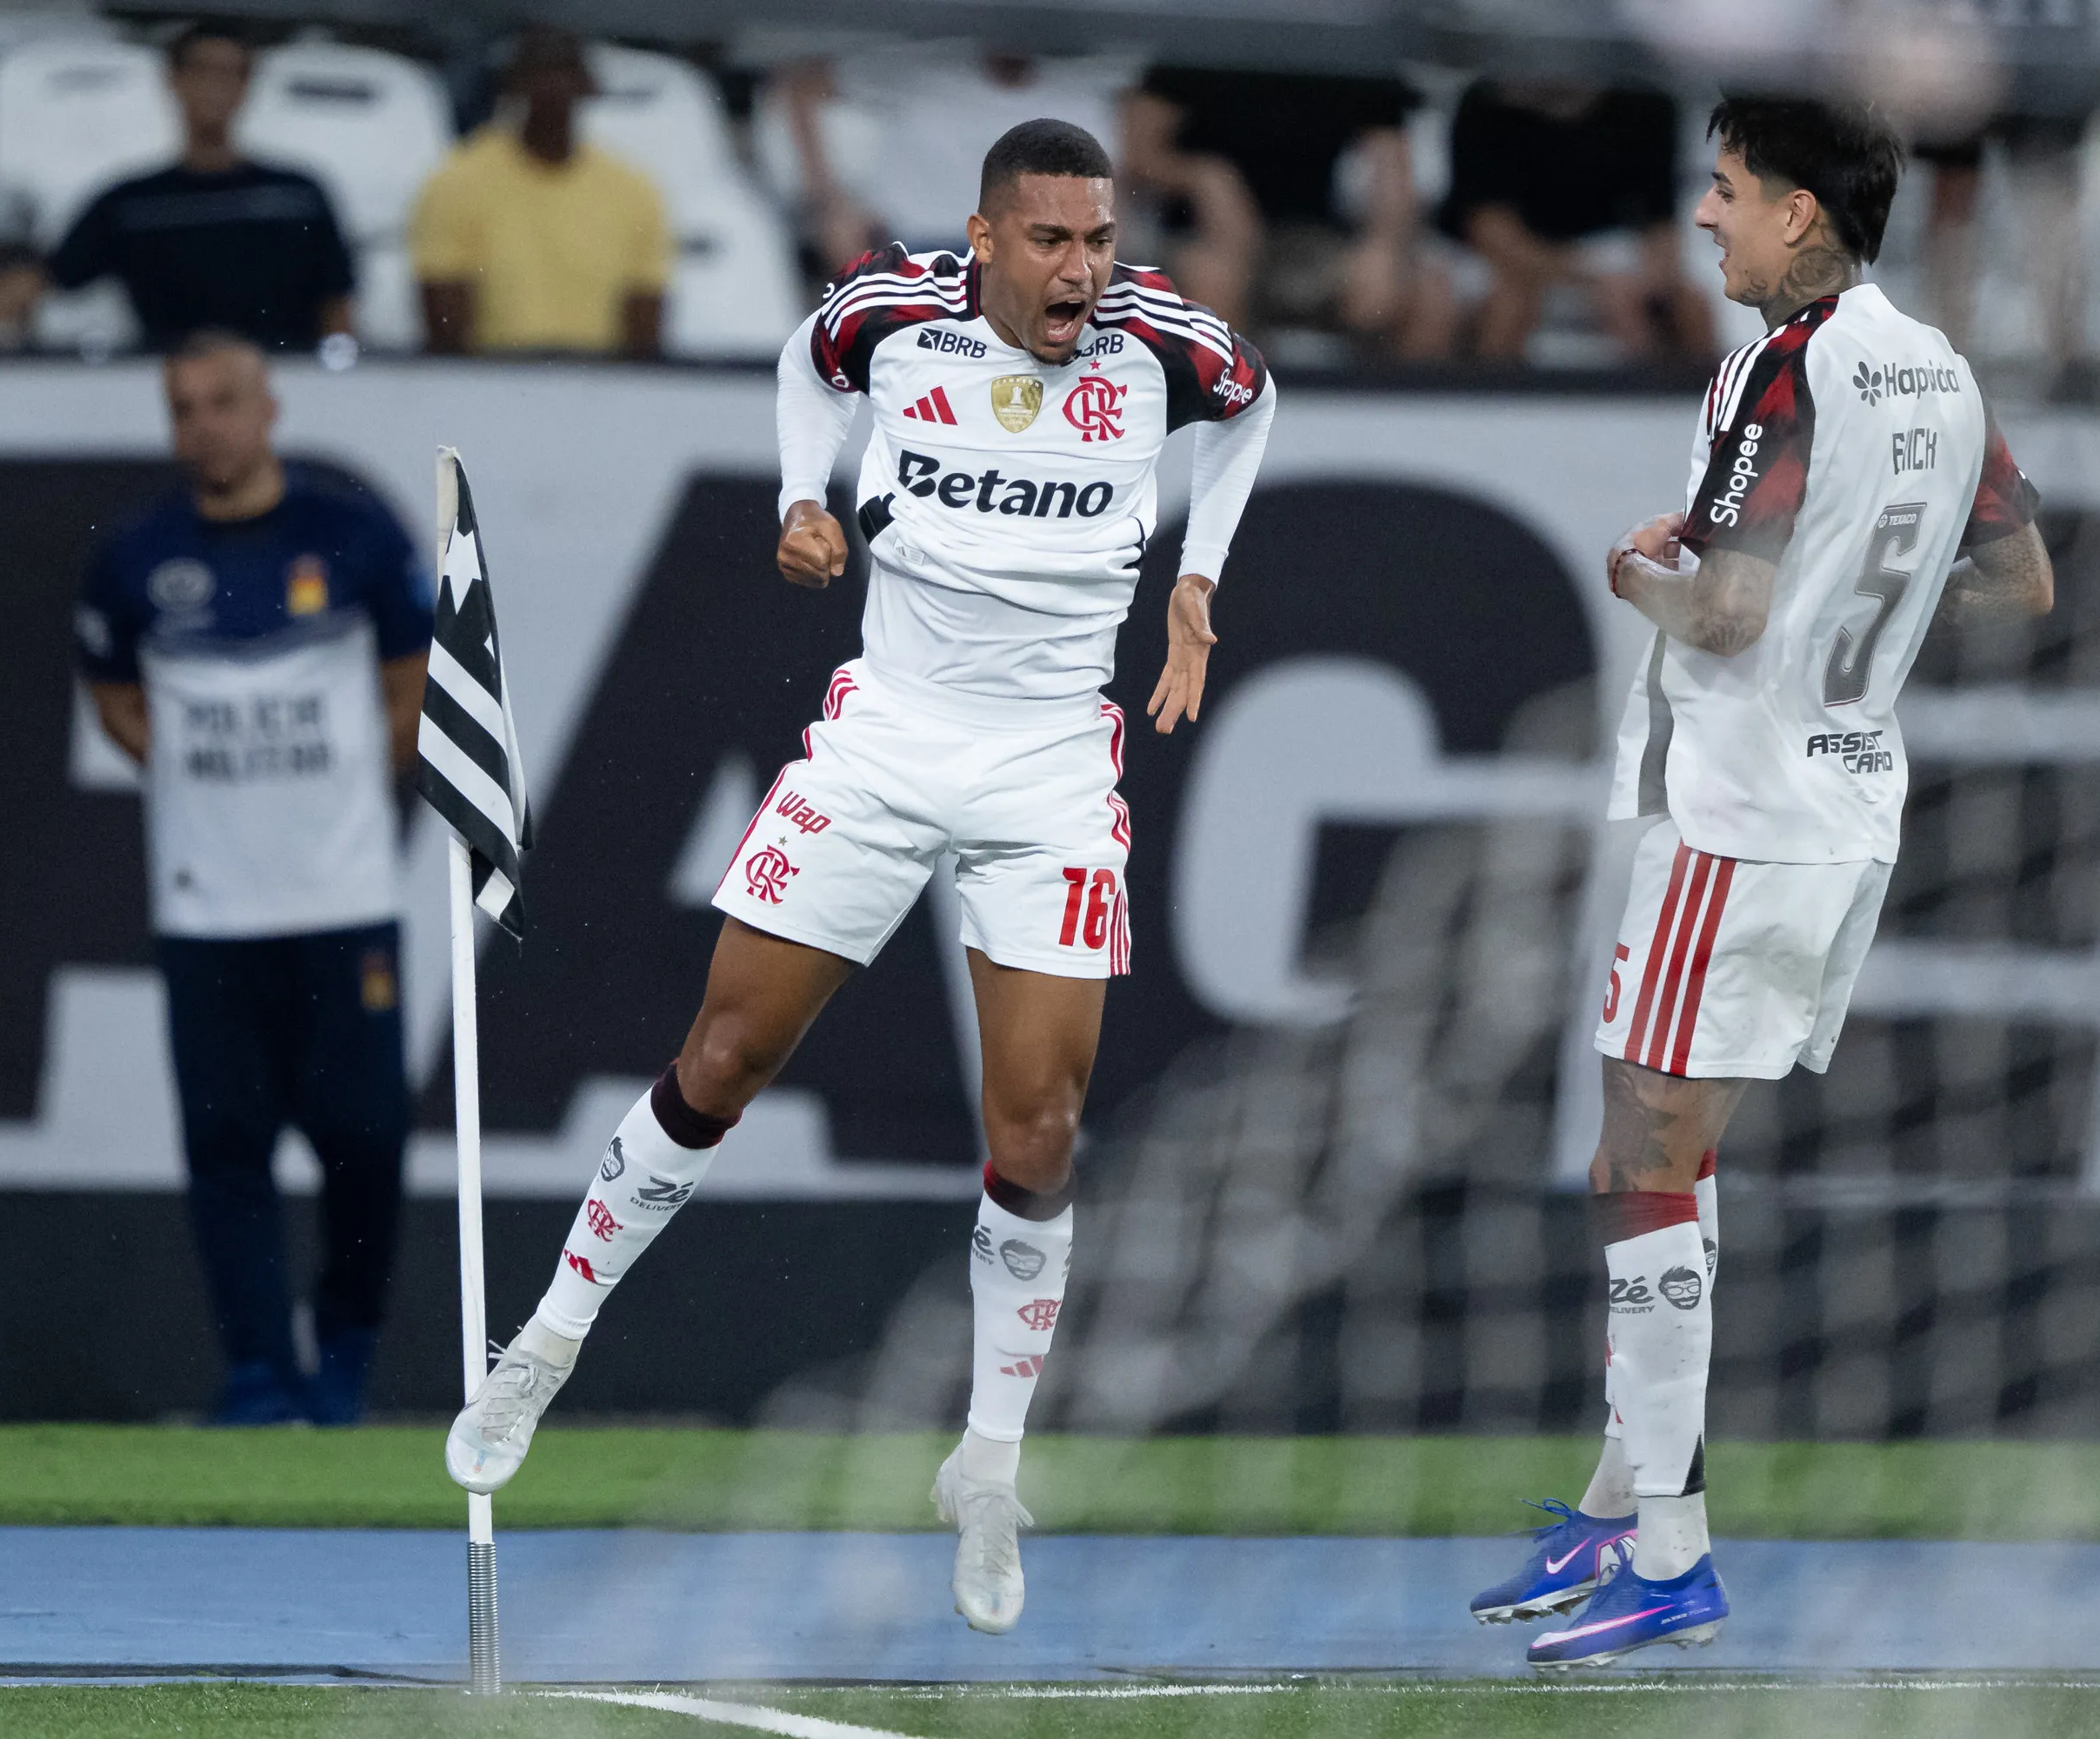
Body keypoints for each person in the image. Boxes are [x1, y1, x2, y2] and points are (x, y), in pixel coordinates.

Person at [444, 118, 1277, 1635]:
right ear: (983, 238)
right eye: (1050, 241)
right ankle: (545, 1346)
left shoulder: (1168, 343)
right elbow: (799, 368)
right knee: (722, 1056)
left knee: (1038, 1128)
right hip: (887, 737)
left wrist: (1200, 576)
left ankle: (988, 1465)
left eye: (1096, 239)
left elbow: (1256, 404)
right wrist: (799, 502)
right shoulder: (893, 311)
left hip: (1046, 765)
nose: (1081, 269)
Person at [1470, 96, 2054, 1668]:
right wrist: (1858, 589)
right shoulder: (1935, 361)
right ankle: (1619, 1499)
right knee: (1651, 1157)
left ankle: (1671, 1550)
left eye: (1726, 193)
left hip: (1745, 814)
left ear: (1801, 214)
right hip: (1849, 805)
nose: (1706, 217)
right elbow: (2020, 578)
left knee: (1642, 1161)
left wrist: (1635, 574)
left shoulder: (1786, 370)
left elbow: (1722, 619)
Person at [77, 332, 432, 1425]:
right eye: (184, 408)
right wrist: (207, 789)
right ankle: (255, 1375)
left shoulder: (354, 534)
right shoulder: (135, 557)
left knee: (364, 1136)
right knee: (226, 1145)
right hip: (207, 907)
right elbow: (116, 699)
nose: (206, 426)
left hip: (344, 898)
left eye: (224, 401)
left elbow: (409, 687)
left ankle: (346, 1345)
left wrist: (329, 799)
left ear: (269, 406)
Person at [0, 24, 356, 353]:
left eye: (231, 73)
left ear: (247, 86)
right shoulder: (133, 204)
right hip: (177, 391)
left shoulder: (299, 197)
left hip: (287, 386)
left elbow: (337, 309)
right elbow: (37, 282)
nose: (215, 87)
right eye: (202, 71)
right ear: (173, 81)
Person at [1123, 66, 1453, 358]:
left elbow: (1392, 170)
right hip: (1203, 235)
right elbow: (1140, 155)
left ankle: (1390, 424)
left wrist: (1382, 245)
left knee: (1428, 295)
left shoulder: (1348, 44)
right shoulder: (1206, 34)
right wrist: (1203, 178)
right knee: (1213, 281)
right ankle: (1231, 414)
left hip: (1314, 240)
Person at [409, 25, 670, 357]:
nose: (553, 88)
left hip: (600, 387)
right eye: (541, 75)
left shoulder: (633, 191)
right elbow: (445, 331)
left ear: (586, 86)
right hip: (490, 385)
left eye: (564, 74)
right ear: (515, 85)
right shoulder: (455, 184)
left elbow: (645, 332)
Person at [779, 47, 1130, 276]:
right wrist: (827, 200)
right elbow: (800, 86)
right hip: (908, 251)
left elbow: (1104, 203)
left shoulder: (1077, 96)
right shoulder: (922, 69)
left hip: (1020, 266)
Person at [1440, 81, 1716, 367]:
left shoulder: (1646, 101)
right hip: (1499, 261)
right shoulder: (1487, 101)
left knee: (1688, 307)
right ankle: (1491, 404)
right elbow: (1490, 232)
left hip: (1607, 250)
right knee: (1509, 305)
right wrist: (1587, 279)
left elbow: (1661, 225)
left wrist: (1647, 283)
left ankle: (1680, 407)